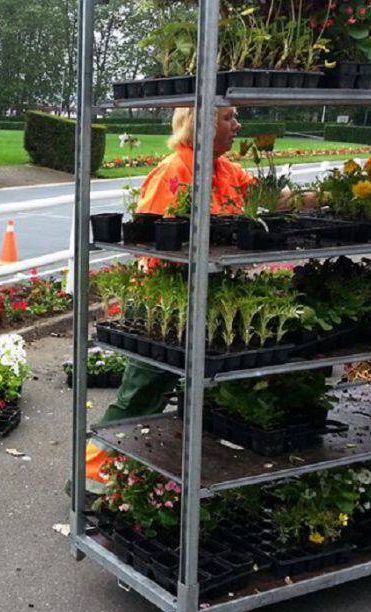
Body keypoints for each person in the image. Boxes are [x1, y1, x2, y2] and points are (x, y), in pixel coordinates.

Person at [82, 106, 255, 492]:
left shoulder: (226, 171)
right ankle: (90, 478)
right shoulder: (174, 171)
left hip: (211, 300)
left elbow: (270, 198)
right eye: (229, 117)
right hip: (163, 304)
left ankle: (154, 479)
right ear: (204, 124)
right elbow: (148, 243)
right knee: (142, 393)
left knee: (189, 393)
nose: (238, 125)